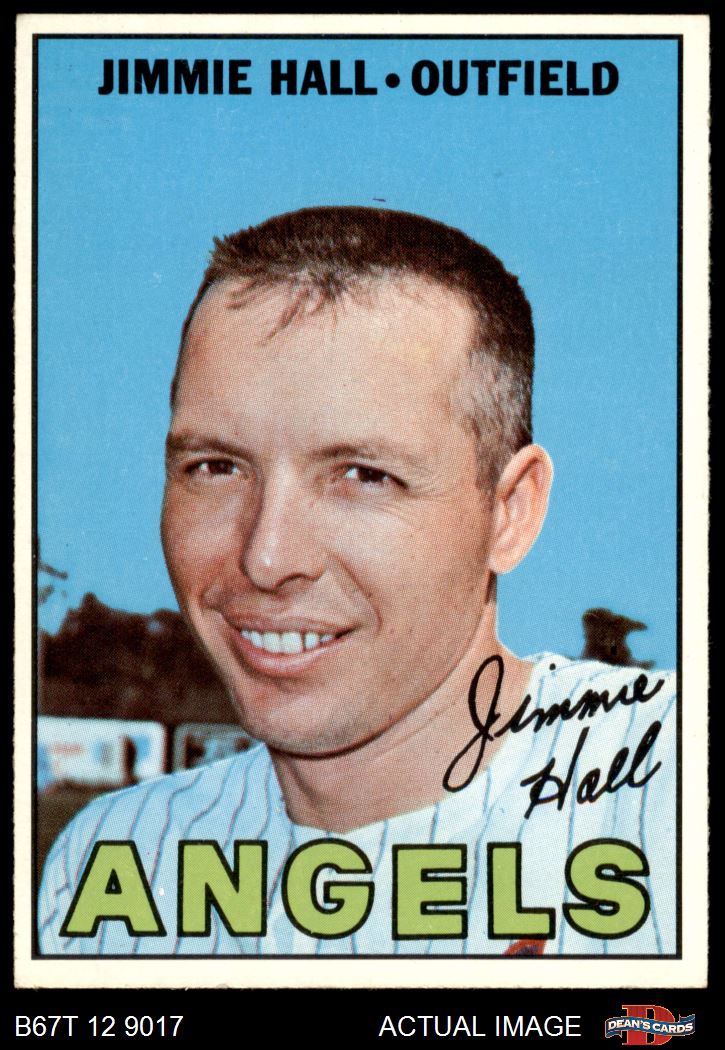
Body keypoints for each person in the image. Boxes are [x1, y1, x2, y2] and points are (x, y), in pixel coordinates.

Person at [38, 206, 676, 957]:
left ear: (510, 511)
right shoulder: (111, 862)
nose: (266, 557)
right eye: (216, 466)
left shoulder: (672, 783)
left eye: (364, 476)